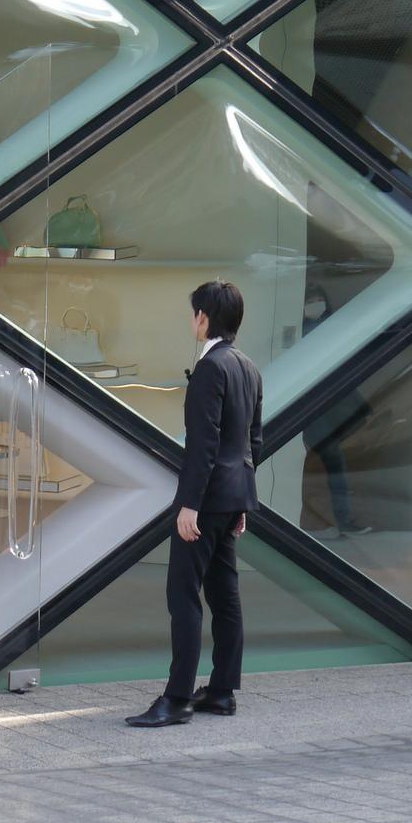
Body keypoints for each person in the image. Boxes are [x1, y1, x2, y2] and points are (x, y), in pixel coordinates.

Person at [128, 280, 264, 729]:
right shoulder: (247, 367)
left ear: (202, 318)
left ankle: (178, 697)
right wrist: (239, 501)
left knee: (182, 594)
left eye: (194, 314)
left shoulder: (210, 369)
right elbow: (251, 443)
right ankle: (222, 691)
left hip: (206, 500)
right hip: (232, 496)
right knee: (225, 594)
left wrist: (190, 505)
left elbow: (204, 445)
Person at [298, 284, 372, 539]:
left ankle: (338, 520)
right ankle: (331, 521)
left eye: (319, 299)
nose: (315, 304)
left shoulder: (334, 327)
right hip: (310, 412)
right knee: (322, 467)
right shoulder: (303, 330)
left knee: (332, 467)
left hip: (326, 412)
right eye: (311, 300)